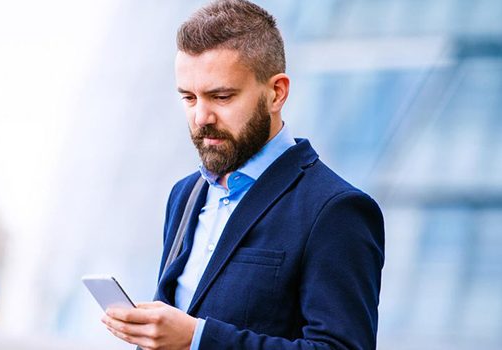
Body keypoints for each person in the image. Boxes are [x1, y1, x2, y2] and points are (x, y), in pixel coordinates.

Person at [101, 0, 385, 349]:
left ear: (276, 93)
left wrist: (197, 339)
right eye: (189, 98)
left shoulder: (335, 210)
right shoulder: (185, 195)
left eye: (221, 96)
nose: (201, 116)